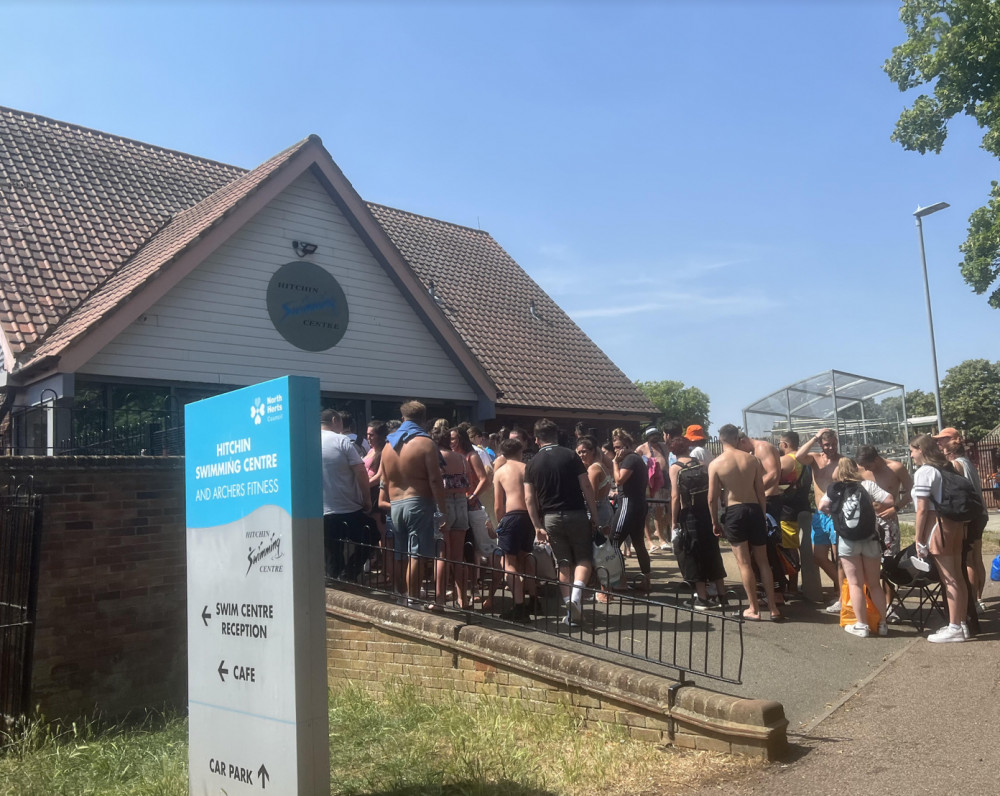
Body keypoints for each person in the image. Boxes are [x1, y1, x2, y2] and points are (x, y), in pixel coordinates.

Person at [525, 418, 599, 626]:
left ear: (537, 439)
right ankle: (576, 599)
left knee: (563, 563)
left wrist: (537, 525)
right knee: (584, 559)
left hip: (551, 517)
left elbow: (529, 498)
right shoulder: (571, 456)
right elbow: (586, 486)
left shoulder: (532, 463)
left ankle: (570, 609)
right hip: (576, 512)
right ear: (556, 435)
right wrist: (594, 515)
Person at [708, 424, 781, 621]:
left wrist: (715, 521)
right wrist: (763, 516)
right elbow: (760, 492)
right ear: (736, 438)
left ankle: (754, 609)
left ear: (721, 439)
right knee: (763, 561)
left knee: (744, 563)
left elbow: (711, 498)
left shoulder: (716, 464)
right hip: (755, 509)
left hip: (735, 510)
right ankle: (773, 608)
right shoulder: (753, 460)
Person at [381, 401, 448, 605]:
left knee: (400, 553)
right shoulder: (425, 443)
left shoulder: (387, 446)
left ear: (403, 418)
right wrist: (443, 511)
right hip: (418, 502)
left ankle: (401, 595)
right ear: (424, 419)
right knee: (416, 553)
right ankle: (413, 599)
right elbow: (435, 480)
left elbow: (384, 479)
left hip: (395, 504)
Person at [818, 458, 892, 638]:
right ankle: (882, 624)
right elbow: (889, 499)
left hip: (847, 540)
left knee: (855, 584)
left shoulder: (834, 488)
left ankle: (862, 625)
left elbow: (821, 507)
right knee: (874, 584)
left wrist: (836, 512)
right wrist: (873, 508)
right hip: (871, 538)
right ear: (854, 469)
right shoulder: (867, 485)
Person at [910, 433, 969, 642]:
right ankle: (960, 623)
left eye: (912, 451)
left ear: (921, 450)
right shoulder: (944, 468)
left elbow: (922, 509)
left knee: (949, 578)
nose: (911, 456)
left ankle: (954, 628)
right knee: (957, 576)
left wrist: (919, 538)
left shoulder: (924, 471)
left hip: (937, 525)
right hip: (953, 524)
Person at [934, 427, 989, 614]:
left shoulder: (957, 464)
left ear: (952, 441)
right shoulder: (966, 461)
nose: (939, 443)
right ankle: (977, 599)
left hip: (969, 517)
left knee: (969, 560)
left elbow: (959, 494)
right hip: (979, 514)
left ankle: (972, 602)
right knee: (976, 558)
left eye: (942, 440)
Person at [669, 436, 726, 609]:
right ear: (688, 448)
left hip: (689, 514)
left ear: (673, 451)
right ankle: (722, 596)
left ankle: (702, 598)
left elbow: (675, 496)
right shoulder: (701, 464)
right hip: (706, 513)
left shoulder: (675, 468)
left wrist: (674, 521)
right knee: (712, 551)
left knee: (694, 553)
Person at [855, 444, 913, 616]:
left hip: (887, 521)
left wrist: (896, 507)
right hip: (866, 521)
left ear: (876, 459)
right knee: (866, 561)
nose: (865, 469)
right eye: (863, 466)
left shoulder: (896, 468)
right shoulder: (860, 470)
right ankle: (869, 602)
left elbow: (912, 490)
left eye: (868, 465)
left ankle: (889, 605)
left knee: (888, 561)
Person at [321, 409, 373, 581]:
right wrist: (366, 499)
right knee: (371, 535)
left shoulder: (308, 442)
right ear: (335, 420)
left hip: (321, 509)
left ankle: (337, 582)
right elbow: (360, 471)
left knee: (332, 551)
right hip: (347, 506)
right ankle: (349, 573)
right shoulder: (341, 440)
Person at [796, 428, 843, 612]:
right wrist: (815, 437)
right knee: (819, 557)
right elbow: (799, 456)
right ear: (821, 445)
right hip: (819, 515)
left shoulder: (842, 461)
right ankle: (845, 588)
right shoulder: (815, 458)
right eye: (826, 444)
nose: (830, 447)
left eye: (833, 444)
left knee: (838, 557)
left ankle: (842, 594)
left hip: (835, 514)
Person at [493, 436, 536, 621]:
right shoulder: (528, 468)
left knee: (507, 561)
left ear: (503, 453)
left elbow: (497, 504)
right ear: (520, 452)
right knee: (526, 556)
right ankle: (534, 599)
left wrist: (499, 523)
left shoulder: (501, 472)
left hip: (511, 516)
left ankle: (518, 606)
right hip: (529, 516)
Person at [434, 427, 471, 610]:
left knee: (442, 555)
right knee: (458, 556)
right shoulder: (462, 459)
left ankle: (439, 600)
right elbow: (468, 482)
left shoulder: (437, 458)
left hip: (444, 504)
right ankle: (463, 599)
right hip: (461, 504)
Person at [611, 428, 652, 592]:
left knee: (613, 543)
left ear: (627, 445)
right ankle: (646, 580)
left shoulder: (629, 460)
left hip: (629, 504)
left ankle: (621, 580)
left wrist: (615, 462)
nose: (616, 451)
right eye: (614, 447)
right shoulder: (637, 459)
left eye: (619, 446)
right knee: (638, 543)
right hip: (638, 503)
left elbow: (619, 480)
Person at [776, 431, 810, 592]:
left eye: (780, 444)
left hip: (787, 510)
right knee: (805, 547)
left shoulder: (785, 461)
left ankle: (792, 584)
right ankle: (809, 584)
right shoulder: (808, 460)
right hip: (805, 506)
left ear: (785, 444)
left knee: (790, 547)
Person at [636, 426, 671, 552]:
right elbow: (634, 463)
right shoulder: (641, 448)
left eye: (656, 434)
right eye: (652, 435)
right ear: (647, 437)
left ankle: (661, 538)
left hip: (665, 480)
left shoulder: (664, 446)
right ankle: (650, 542)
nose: (655, 437)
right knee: (646, 512)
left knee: (662, 510)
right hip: (649, 482)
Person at [575, 435, 613, 532]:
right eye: (579, 452)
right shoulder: (602, 466)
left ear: (592, 451)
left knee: (598, 544)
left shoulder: (593, 469)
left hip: (598, 511)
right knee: (605, 543)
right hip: (606, 507)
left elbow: (592, 496)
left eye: (584, 452)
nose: (581, 455)